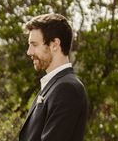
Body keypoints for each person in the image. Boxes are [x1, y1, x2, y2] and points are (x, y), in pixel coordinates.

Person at [19, 13, 88, 141]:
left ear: (55, 44)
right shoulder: (53, 86)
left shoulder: (67, 88)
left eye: (34, 45)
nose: (29, 52)